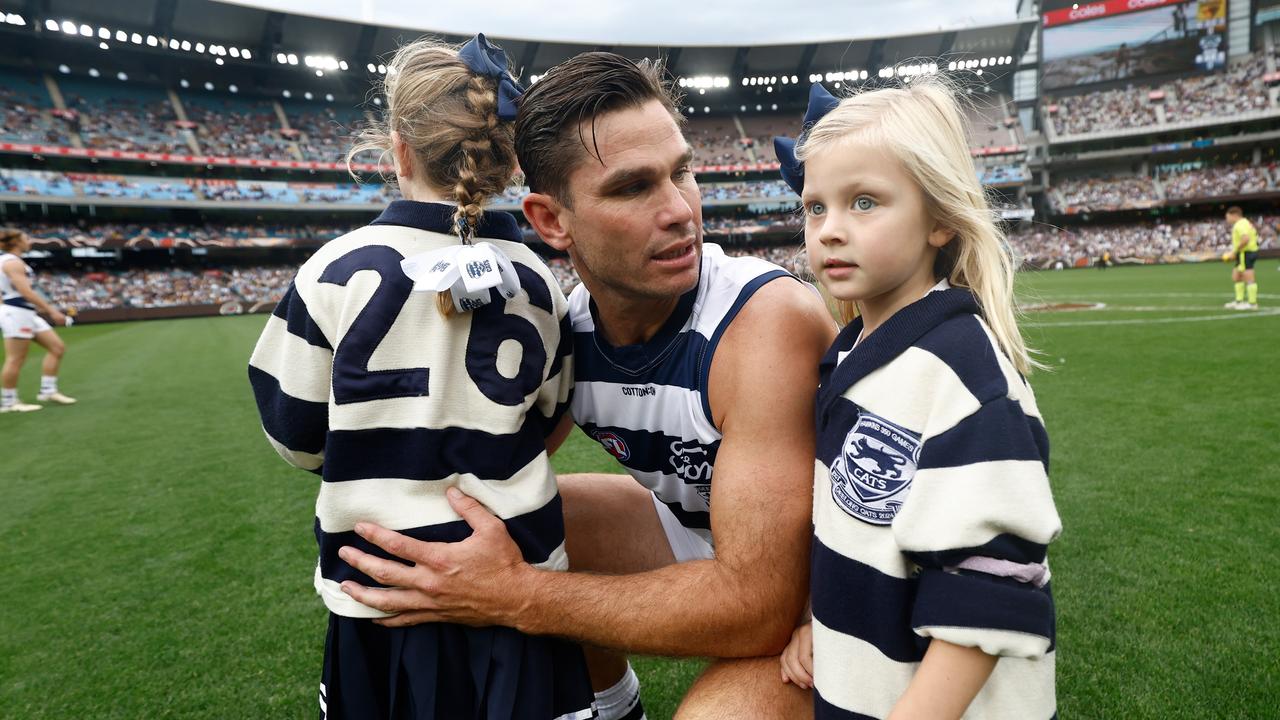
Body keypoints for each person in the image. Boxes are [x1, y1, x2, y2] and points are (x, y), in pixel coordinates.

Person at [336, 52, 837, 719]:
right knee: (517, 518)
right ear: (549, 220)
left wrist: (518, 596)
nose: (680, 211)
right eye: (633, 188)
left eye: (681, 171)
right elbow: (472, 474)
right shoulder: (566, 331)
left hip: (845, 588)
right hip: (723, 541)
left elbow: (759, 610)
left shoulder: (764, 323)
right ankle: (610, 707)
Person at [247, 35, 595, 720]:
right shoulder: (541, 283)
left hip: (379, 585)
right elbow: (553, 419)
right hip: (516, 577)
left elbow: (295, 436)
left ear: (399, 150)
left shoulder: (333, 269)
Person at [773, 80, 1062, 718]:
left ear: (939, 219)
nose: (830, 231)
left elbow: (990, 586)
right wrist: (824, 625)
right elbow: (858, 533)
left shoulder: (962, 374)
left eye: (865, 202)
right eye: (815, 207)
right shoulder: (850, 352)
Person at [1, 228, 76, 413]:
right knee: (15, 359)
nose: (30, 241)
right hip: (16, 313)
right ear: (16, 242)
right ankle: (9, 402)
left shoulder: (11, 261)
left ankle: (48, 391)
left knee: (57, 347)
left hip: (24, 312)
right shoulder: (12, 262)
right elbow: (25, 292)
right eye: (26, 238)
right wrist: (52, 311)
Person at [1223, 206, 1259, 310]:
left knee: (1248, 277)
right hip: (1243, 253)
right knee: (1236, 276)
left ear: (1234, 215)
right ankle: (1239, 301)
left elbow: (1245, 239)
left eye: (1227, 217)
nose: (1227, 219)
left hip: (1246, 253)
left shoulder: (1240, 224)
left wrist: (1233, 252)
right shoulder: (1245, 222)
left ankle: (1252, 303)